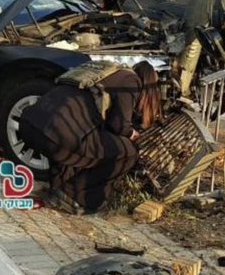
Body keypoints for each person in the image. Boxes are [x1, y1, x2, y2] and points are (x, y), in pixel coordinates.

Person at [18, 61, 164, 214]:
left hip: (29, 125)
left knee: (82, 138)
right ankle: (73, 197)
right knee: (128, 151)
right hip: (58, 136)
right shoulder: (131, 81)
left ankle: (58, 188)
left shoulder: (106, 72)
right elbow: (119, 125)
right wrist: (132, 133)